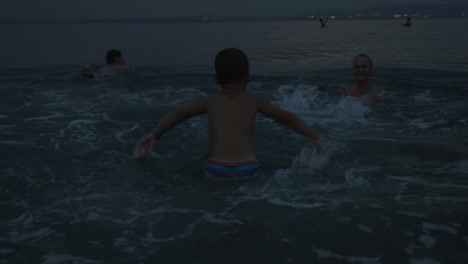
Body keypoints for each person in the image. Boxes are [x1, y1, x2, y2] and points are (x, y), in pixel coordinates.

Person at [136, 48, 326, 180]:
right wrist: (316, 138)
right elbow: (288, 119)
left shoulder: (211, 102)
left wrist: (155, 134)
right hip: (248, 167)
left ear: (216, 78)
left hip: (215, 167)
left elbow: (178, 114)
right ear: (248, 76)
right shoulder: (254, 101)